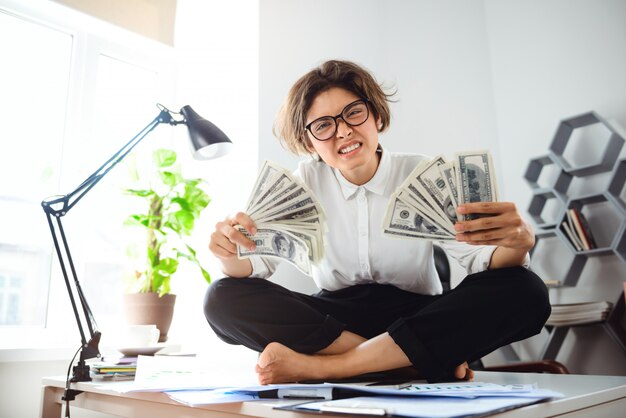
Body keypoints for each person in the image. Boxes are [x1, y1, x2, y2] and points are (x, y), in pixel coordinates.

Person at [206, 60, 550, 385]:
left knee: (526, 290)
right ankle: (410, 363)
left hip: (419, 316)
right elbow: (255, 265)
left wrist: (517, 244)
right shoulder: (302, 185)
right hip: (334, 322)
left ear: (376, 117)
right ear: (309, 141)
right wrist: (230, 255)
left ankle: (329, 367)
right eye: (323, 125)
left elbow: (484, 260)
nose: (343, 131)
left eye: (353, 113)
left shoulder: (423, 173)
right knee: (221, 297)